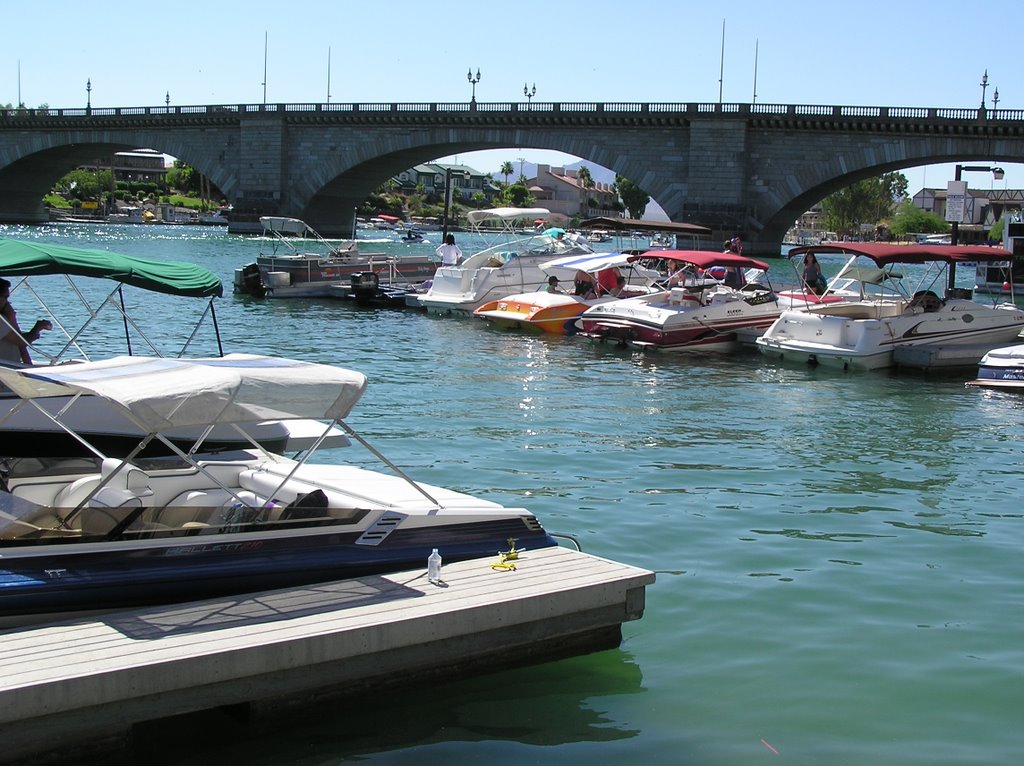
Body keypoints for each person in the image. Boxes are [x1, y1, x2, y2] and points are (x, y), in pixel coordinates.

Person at [0, 278, 52, 365]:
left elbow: (17, 341)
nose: (7, 302)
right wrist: (36, 329)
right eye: (5, 298)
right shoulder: (1, 321)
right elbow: (22, 342)